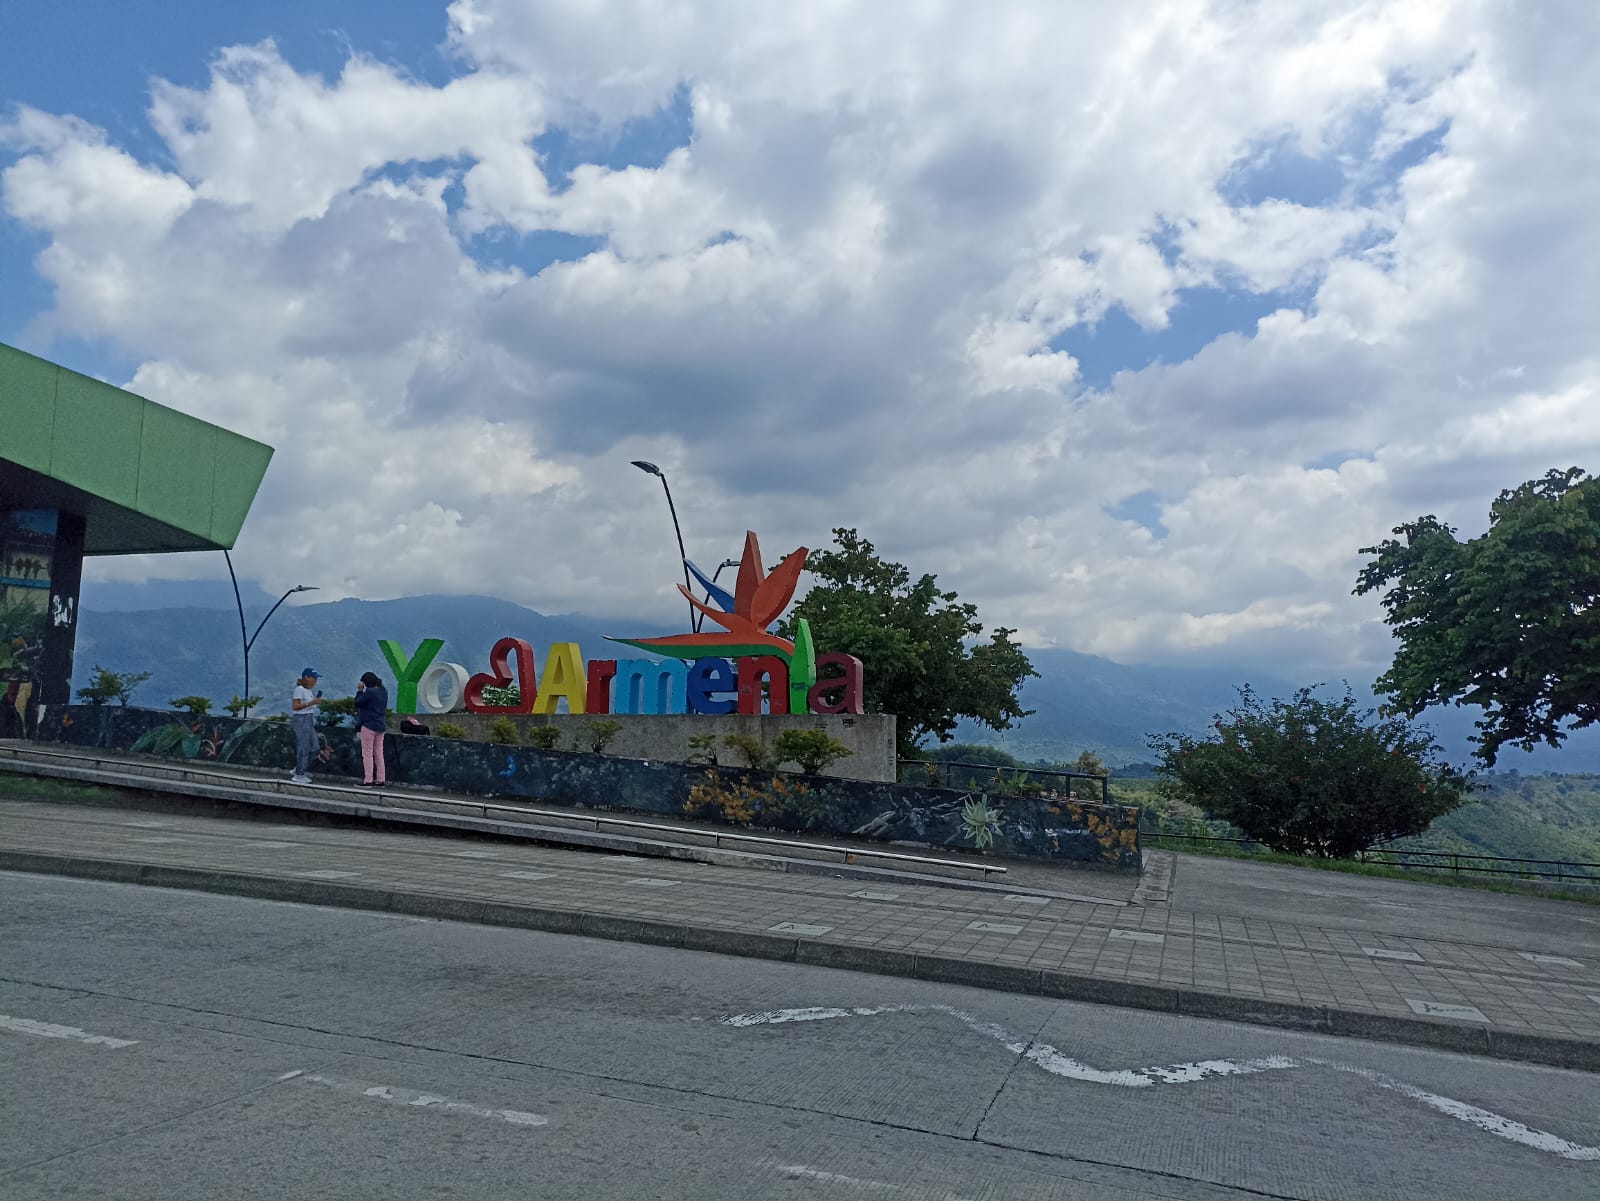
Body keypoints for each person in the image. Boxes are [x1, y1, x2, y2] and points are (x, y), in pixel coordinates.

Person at [354, 670, 388, 787]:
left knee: (367, 753)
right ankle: (381, 779)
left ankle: (368, 780)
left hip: (369, 725)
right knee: (379, 753)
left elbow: (358, 702)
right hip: (381, 725)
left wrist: (359, 691)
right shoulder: (384, 691)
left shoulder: (369, 692)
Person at [289, 668, 322, 784]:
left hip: (308, 719)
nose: (315, 681)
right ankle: (299, 774)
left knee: (315, 748)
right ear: (306, 677)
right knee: (304, 747)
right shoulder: (299, 689)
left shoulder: (308, 691)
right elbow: (295, 706)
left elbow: (309, 706)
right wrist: (311, 703)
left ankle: (299, 767)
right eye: (314, 678)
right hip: (301, 719)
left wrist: (315, 702)